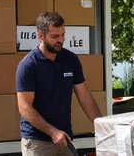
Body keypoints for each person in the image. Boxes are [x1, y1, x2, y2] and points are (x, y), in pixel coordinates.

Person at [16, 12, 102, 156]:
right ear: (41, 36)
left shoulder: (71, 60)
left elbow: (84, 96)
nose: (60, 40)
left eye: (62, 35)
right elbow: (24, 107)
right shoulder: (29, 66)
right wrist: (53, 132)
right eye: (55, 36)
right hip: (38, 142)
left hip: (65, 139)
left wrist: (100, 125)